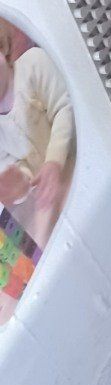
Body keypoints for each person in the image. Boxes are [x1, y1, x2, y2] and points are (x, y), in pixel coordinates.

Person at [0, 20, 74, 250]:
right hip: (50, 194)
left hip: (81, 161)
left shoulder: (33, 65)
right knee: (45, 242)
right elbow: (15, 165)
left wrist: (54, 161)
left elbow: (67, 107)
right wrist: (20, 184)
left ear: (3, 48)